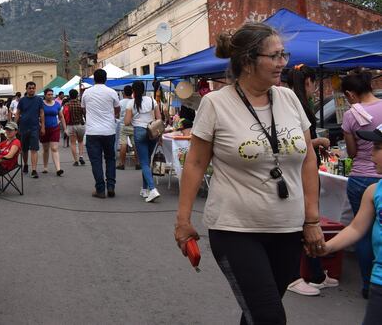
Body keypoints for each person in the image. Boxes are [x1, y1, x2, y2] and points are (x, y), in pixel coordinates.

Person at [174, 22, 323, 325]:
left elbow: (308, 158)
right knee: (269, 316)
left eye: (284, 54)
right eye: (275, 56)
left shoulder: (289, 98)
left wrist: (312, 219)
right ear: (247, 61)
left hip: (288, 229)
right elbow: (196, 163)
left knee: (256, 312)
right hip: (235, 230)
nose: (284, 62)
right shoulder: (215, 103)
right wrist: (183, 220)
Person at [284, 64, 338, 296]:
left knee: (307, 219)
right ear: (308, 82)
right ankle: (294, 276)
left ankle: (316, 273)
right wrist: (318, 143)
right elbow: (293, 142)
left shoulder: (295, 104)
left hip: (307, 167)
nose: (315, 88)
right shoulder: (295, 106)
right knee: (302, 220)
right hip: (300, 170)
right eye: (314, 83)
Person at [320, 124, 382, 324]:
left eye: (378, 148)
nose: (371, 154)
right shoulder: (373, 191)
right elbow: (356, 228)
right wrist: (327, 247)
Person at [340, 68, 382, 299]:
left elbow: (353, 152)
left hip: (361, 176)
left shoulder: (350, 115)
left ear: (351, 93)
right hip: (380, 177)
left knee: (363, 232)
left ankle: (368, 285)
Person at [81, 68, 119, 198]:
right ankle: (111, 186)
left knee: (96, 161)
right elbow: (117, 108)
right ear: (106, 79)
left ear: (93, 79)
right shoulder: (112, 92)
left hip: (92, 132)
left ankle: (100, 189)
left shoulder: (86, 93)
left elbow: (84, 109)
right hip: (109, 130)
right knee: (110, 158)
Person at [124, 81, 161, 202]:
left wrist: (133, 117)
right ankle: (144, 190)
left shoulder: (131, 103)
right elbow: (159, 118)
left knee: (144, 162)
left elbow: (126, 122)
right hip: (152, 131)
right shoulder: (152, 100)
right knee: (147, 161)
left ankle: (152, 189)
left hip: (139, 132)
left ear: (133, 91)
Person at [15, 82, 44, 178]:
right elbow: (18, 113)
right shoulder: (22, 100)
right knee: (24, 149)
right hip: (23, 128)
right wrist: (15, 126)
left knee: (34, 149)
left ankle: (34, 170)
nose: (32, 90)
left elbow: (42, 113)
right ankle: (26, 164)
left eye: (33, 88)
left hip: (34, 128)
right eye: (30, 88)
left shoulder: (39, 100)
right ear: (26, 89)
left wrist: (43, 126)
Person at [40, 88, 65, 176]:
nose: (50, 96)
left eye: (51, 94)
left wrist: (65, 129)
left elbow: (61, 117)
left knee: (54, 148)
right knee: (46, 149)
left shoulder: (57, 104)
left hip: (55, 128)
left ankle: (58, 169)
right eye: (48, 94)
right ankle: (45, 167)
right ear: (45, 95)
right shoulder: (41, 104)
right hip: (44, 129)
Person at [63, 89, 86, 166]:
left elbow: (64, 115)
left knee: (73, 143)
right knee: (80, 141)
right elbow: (85, 114)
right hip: (80, 125)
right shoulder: (80, 104)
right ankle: (81, 156)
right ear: (77, 95)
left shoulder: (66, 105)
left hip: (71, 125)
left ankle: (76, 160)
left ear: (69, 95)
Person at [116, 85, 137, 170]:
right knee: (135, 145)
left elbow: (117, 114)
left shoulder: (120, 103)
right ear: (132, 93)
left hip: (123, 125)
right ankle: (138, 163)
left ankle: (122, 164)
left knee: (123, 144)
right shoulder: (134, 102)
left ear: (124, 93)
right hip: (133, 125)